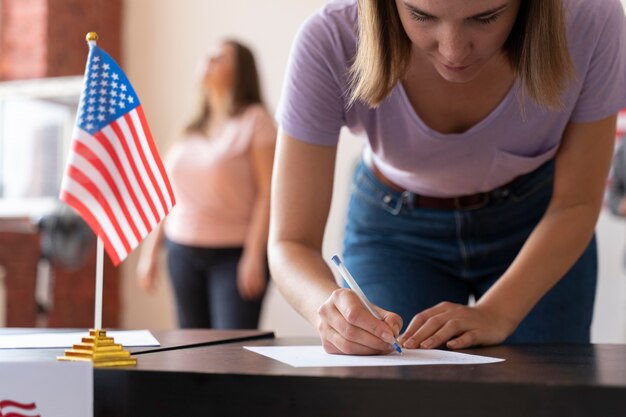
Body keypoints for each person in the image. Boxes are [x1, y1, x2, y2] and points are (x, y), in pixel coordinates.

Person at [269, 0, 626, 355]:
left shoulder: (592, 19)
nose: (453, 51)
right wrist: (328, 308)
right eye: (421, 15)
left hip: (540, 223)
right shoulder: (329, 38)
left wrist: (497, 311)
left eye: (486, 17)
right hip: (394, 231)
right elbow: (291, 242)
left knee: (546, 398)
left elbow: (576, 202)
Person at [137, 39, 276, 329]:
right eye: (207, 54)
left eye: (219, 57)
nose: (208, 59)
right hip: (181, 253)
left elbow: (268, 192)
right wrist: (150, 252)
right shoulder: (190, 129)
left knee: (229, 358)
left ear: (241, 71)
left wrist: (254, 255)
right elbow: (169, 195)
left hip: (233, 255)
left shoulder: (255, 120)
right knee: (190, 355)